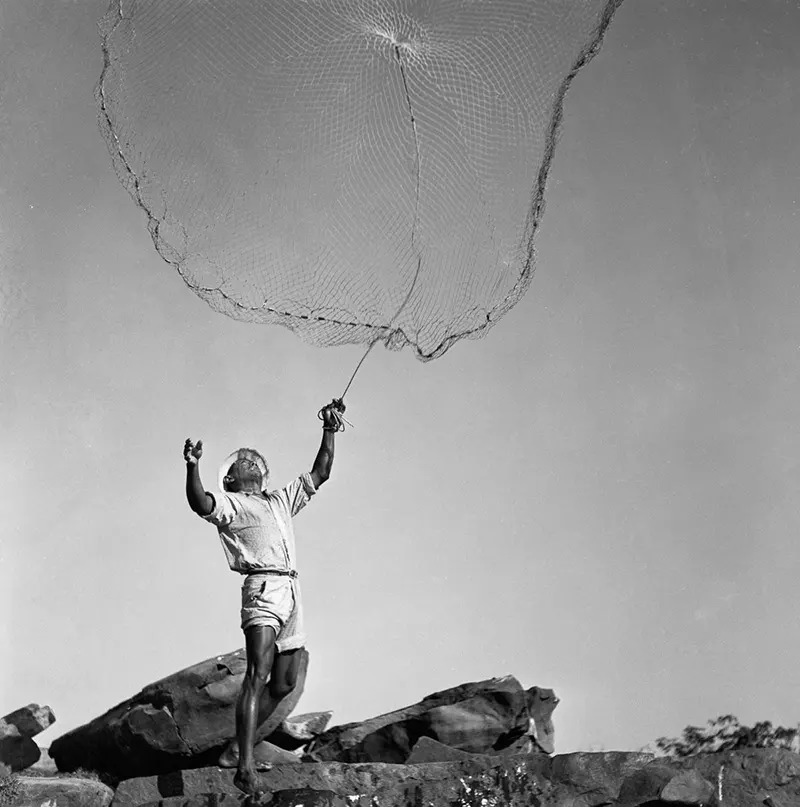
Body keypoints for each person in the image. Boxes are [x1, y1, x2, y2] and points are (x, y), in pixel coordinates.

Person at [183, 401, 343, 795]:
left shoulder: (278, 501)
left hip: (291, 589)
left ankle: (237, 748)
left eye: (255, 462)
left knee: (285, 682)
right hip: (262, 588)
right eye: (242, 464)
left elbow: (320, 472)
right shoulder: (231, 505)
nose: (251, 463)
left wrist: (329, 429)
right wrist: (192, 467)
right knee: (258, 673)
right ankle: (244, 766)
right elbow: (199, 502)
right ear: (231, 481)